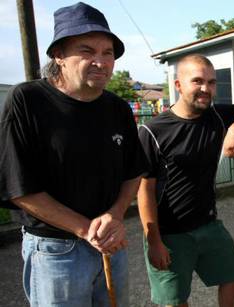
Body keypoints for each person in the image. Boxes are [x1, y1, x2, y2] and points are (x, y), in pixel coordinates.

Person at [0, 2, 147, 306]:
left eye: (108, 53)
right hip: (56, 252)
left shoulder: (117, 108)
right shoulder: (27, 100)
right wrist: (85, 229)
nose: (100, 61)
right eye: (86, 51)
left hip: (111, 244)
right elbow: (19, 188)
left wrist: (115, 214)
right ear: (59, 56)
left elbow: (134, 171)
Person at [137, 54, 234, 307]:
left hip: (208, 223)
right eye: (197, 81)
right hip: (170, 232)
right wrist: (153, 240)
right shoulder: (153, 131)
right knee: (175, 299)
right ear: (178, 85)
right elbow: (145, 190)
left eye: (211, 82)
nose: (206, 89)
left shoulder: (217, 116)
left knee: (233, 277)